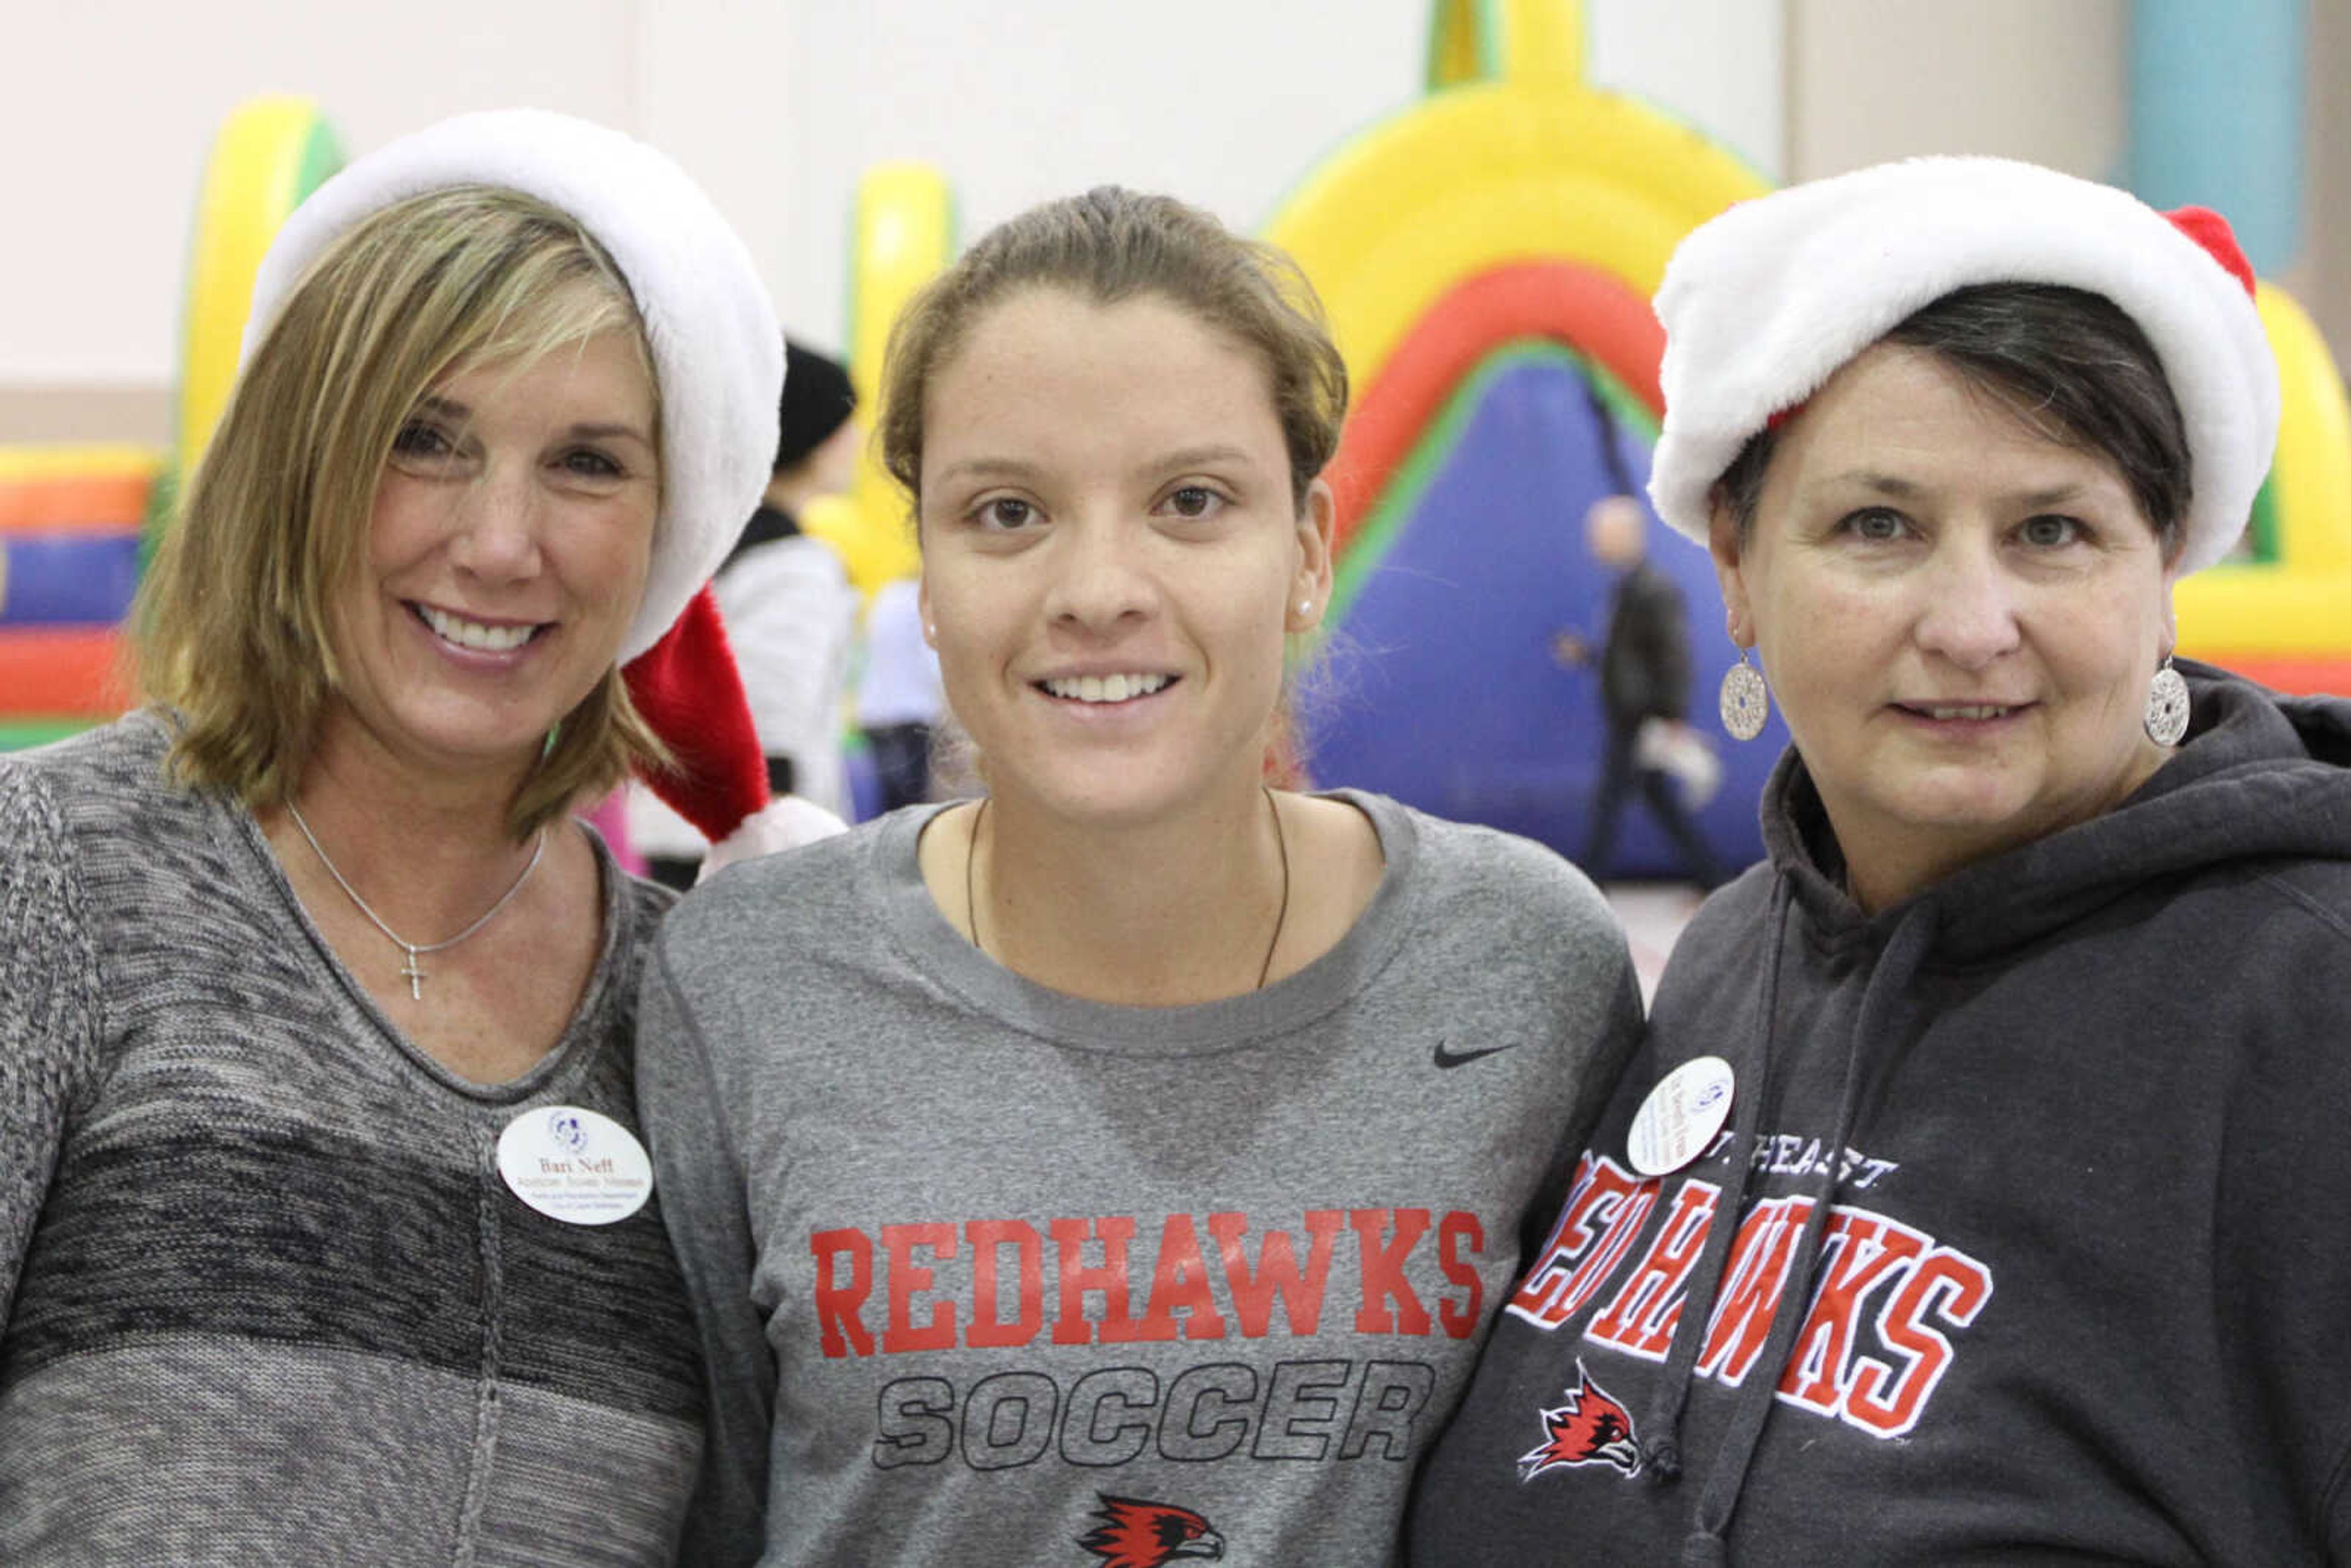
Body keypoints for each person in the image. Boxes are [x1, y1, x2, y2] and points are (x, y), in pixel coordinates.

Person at [636, 186, 1643, 1566]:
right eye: (1007, 510)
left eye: (1190, 500)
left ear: (1306, 551)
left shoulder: (1523, 959)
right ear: (924, 575)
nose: (1099, 585)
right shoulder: (749, 972)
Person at [1412, 157, 2351, 1566]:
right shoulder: (1735, 949)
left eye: (2051, 530)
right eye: (1877, 525)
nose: (1969, 622)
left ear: (2159, 569)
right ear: (1732, 559)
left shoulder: (2308, 1009)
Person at [0, 108, 803, 1563]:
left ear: (666, 532)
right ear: (299, 464)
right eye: (423, 440)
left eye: (587, 463)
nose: (500, 541)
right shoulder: (52, 877)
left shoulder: (696, 1007)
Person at [632, 339, 863, 883]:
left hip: (673, 827)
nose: (857, 442)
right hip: (746, 844)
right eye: (847, 423)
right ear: (814, 436)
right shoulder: (795, 564)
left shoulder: (700, 549)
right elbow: (769, 724)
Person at [1556, 488, 1726, 890]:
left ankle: (1587, 885)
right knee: (1656, 801)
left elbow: (1674, 655)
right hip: (1631, 712)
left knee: (1608, 805)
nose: (1593, 542)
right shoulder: (1627, 587)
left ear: (1627, 535)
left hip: (1642, 716)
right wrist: (1589, 655)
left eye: (1600, 533)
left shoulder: (1654, 589)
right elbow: (1629, 657)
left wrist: (1672, 716)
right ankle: (1713, 879)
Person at [853, 571, 946, 812]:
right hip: (912, 712)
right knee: (911, 799)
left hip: (873, 710)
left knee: (885, 797)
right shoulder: (922, 604)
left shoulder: (886, 596)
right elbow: (933, 661)